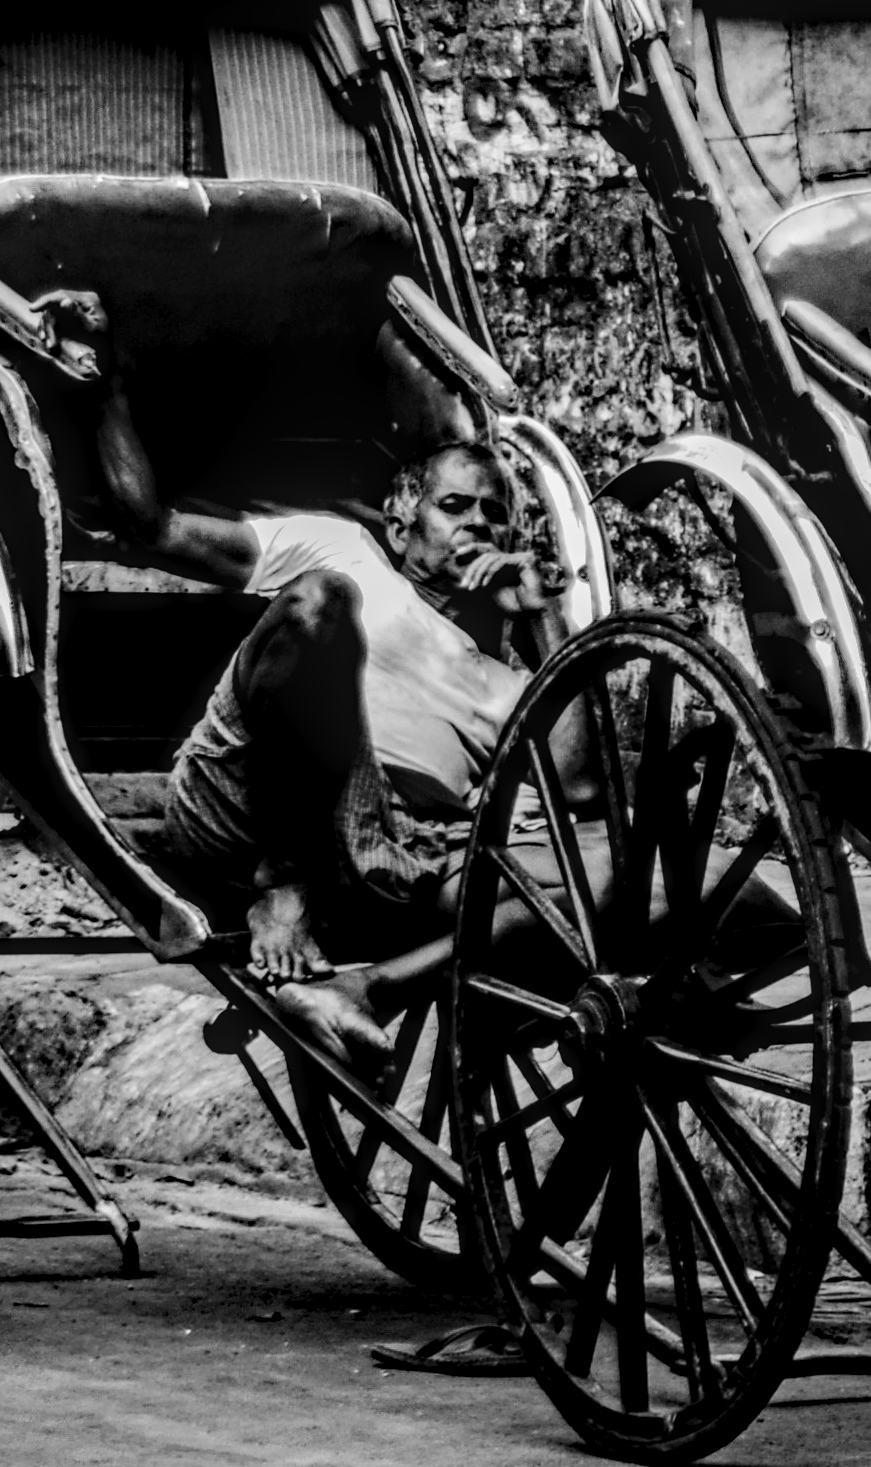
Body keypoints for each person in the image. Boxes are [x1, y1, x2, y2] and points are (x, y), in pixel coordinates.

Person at [97, 324, 543, 1073]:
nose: (479, 527)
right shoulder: (342, 548)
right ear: (403, 522)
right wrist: (107, 383)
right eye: (457, 507)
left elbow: (583, 803)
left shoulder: (505, 679)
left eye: (495, 516)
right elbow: (153, 525)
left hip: (392, 855)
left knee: (625, 880)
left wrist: (538, 609)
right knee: (321, 603)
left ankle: (372, 984)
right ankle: (285, 886)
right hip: (249, 804)